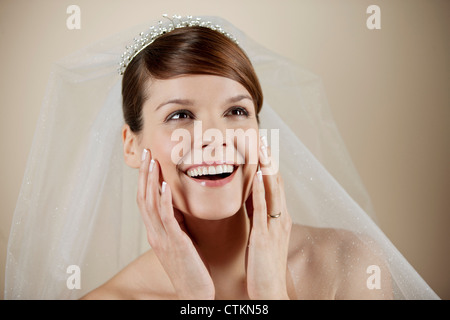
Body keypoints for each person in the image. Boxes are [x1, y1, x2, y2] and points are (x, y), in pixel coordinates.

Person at [4, 15, 439, 300]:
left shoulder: (351, 265)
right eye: (180, 115)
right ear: (131, 145)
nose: (214, 139)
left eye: (236, 111)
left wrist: (269, 291)